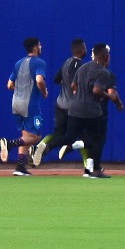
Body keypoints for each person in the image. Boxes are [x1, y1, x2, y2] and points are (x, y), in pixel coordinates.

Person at [46, 42, 122, 178]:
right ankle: (94, 170)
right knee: (97, 139)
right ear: (104, 56)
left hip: (75, 109)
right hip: (93, 111)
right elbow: (100, 91)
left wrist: (79, 94)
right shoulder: (104, 73)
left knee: (70, 136)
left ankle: (49, 147)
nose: (109, 57)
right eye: (108, 54)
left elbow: (73, 85)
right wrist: (111, 98)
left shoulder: (83, 67)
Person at [31, 38, 85, 168]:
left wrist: (67, 86)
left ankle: (39, 147)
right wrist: (76, 89)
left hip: (60, 103)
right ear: (82, 50)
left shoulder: (67, 62)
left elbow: (56, 79)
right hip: (73, 107)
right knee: (78, 137)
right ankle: (89, 167)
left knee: (59, 133)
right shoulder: (78, 64)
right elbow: (74, 85)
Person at [0, 37, 47, 176]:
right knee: (37, 136)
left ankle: (20, 167)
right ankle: (9, 144)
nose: (41, 47)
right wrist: (44, 91)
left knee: (26, 134)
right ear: (35, 48)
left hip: (16, 103)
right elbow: (39, 80)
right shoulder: (39, 62)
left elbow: (9, 85)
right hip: (30, 104)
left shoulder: (18, 63)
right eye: (39, 45)